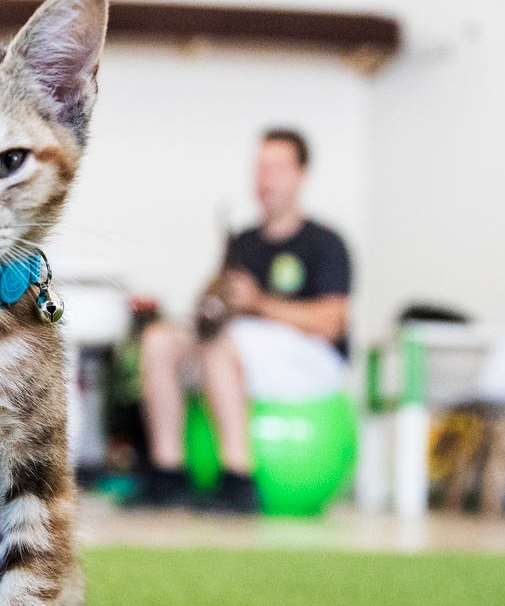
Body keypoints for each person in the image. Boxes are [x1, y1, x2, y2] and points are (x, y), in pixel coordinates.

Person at [135, 128, 352, 512]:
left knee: (224, 342)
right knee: (159, 341)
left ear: (302, 175)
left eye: (278, 169)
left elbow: (331, 323)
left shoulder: (326, 242)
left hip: (307, 361)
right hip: (241, 351)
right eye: (260, 168)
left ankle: (238, 478)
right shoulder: (243, 242)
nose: (265, 179)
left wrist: (258, 302)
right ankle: (168, 474)